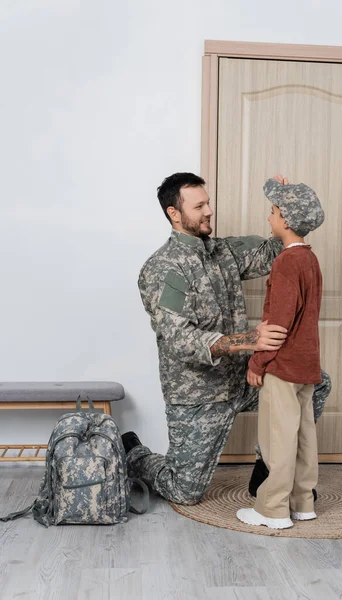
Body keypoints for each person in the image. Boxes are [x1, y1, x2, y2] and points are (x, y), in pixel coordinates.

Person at [123, 172, 331, 505]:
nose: (209, 211)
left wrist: (285, 201)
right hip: (200, 394)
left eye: (208, 202)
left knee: (316, 382)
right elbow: (181, 340)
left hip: (243, 380)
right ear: (174, 213)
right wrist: (250, 340)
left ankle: (269, 469)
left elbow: (276, 248)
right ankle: (133, 453)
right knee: (184, 492)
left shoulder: (225, 252)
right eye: (199, 205)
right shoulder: (162, 269)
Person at [237, 178, 325, 530]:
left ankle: (272, 508)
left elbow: (278, 323)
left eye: (274, 211)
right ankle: (303, 502)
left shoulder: (286, 264)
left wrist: (257, 361)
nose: (269, 216)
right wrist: (283, 187)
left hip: (283, 366)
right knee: (304, 436)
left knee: (278, 438)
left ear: (286, 220)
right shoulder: (309, 259)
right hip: (306, 364)